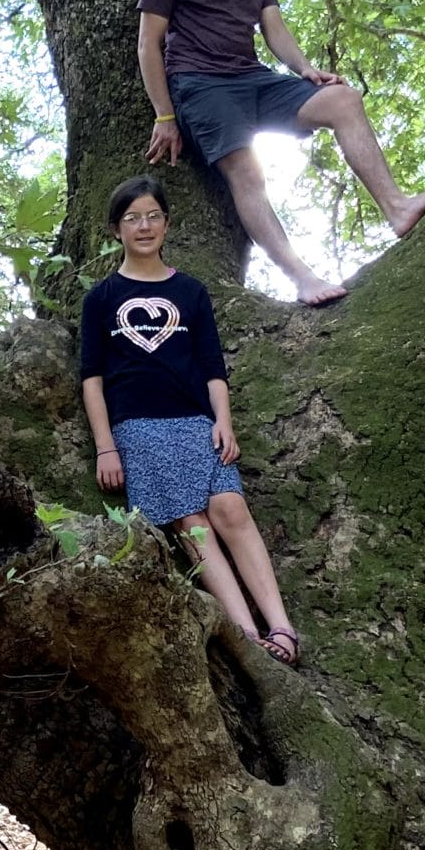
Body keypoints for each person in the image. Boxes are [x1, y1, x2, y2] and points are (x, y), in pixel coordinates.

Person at [137, 0, 425, 307]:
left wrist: (305, 69)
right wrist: (164, 114)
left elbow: (273, 27)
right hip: (200, 84)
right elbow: (148, 44)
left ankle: (397, 208)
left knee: (342, 99)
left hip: (253, 79)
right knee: (247, 169)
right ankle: (300, 276)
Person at [79, 174, 305, 665]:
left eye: (153, 216)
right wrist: (105, 446)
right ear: (116, 229)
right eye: (132, 218)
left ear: (167, 223)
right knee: (192, 523)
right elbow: (92, 378)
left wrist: (223, 421)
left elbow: (212, 368)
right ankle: (245, 633)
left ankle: (281, 626)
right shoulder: (101, 298)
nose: (144, 226)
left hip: (197, 421)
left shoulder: (191, 292)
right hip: (138, 427)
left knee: (231, 509)